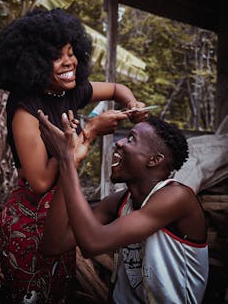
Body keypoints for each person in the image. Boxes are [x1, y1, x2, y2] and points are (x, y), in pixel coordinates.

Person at [0, 7, 148, 303]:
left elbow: (117, 87)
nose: (70, 62)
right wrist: (86, 133)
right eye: (58, 56)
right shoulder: (26, 111)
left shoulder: (70, 91)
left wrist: (133, 104)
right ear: (34, 63)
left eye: (72, 51)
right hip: (32, 220)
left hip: (63, 208)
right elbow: (39, 182)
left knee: (59, 290)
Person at [38, 110, 209, 304]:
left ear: (154, 160)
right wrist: (72, 162)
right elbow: (55, 243)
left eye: (131, 139)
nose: (119, 143)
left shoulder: (178, 197)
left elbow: (92, 244)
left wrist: (66, 161)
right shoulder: (120, 201)